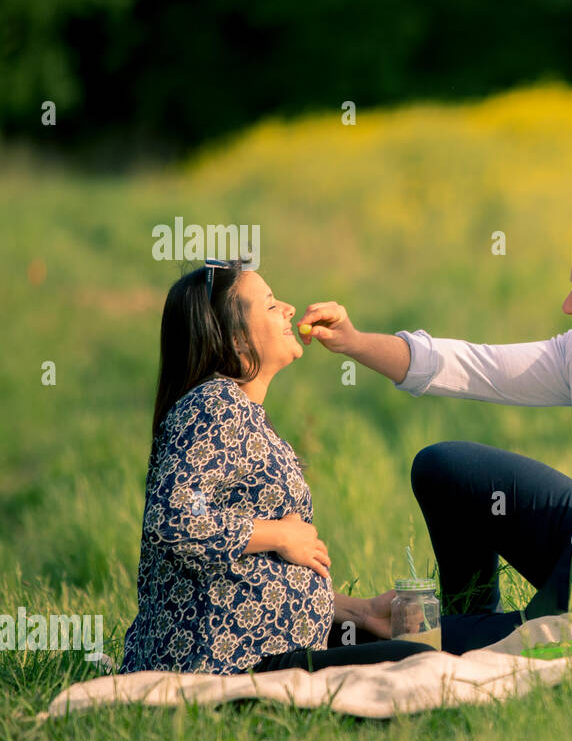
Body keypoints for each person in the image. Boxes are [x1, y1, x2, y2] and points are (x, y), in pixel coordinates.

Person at [297, 201, 572, 665]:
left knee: (396, 651)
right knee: (445, 469)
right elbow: (476, 367)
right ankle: (467, 613)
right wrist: (354, 342)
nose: (568, 306)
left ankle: (443, 634)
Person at [120, 258, 435, 675]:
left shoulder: (238, 411)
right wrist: (279, 533)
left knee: (436, 643)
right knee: (422, 662)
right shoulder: (213, 406)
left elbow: (241, 569)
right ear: (236, 340)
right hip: (226, 662)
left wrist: (360, 613)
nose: (288, 308)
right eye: (270, 305)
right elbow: (173, 519)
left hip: (257, 652)